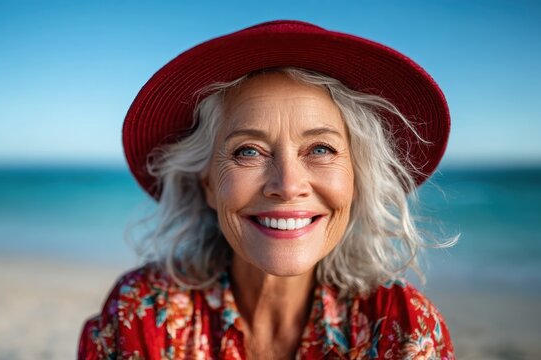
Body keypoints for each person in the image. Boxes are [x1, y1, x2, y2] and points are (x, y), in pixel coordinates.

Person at [79, 20, 456, 359]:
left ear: (356, 178)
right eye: (248, 151)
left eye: (320, 149)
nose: (288, 185)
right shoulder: (139, 315)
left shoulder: (403, 327)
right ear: (208, 182)